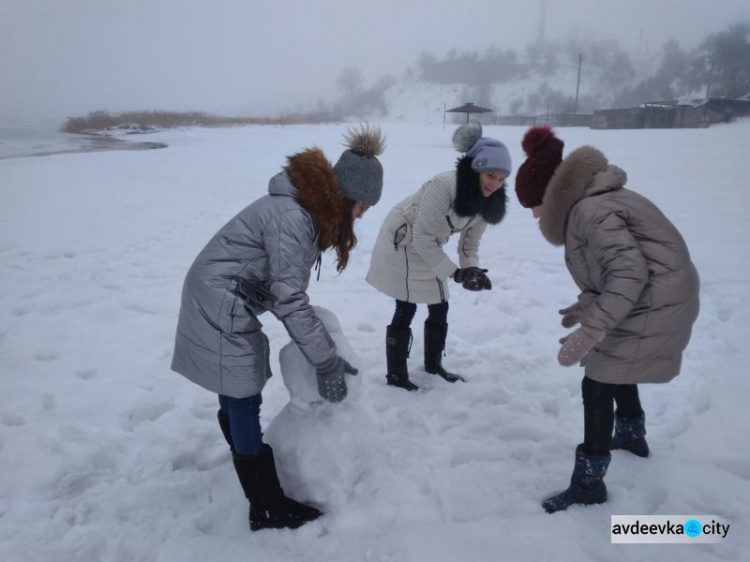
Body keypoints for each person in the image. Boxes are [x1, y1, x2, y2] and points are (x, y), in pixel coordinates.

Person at [171, 125, 385, 530]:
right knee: (243, 393)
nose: (362, 214)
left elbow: (281, 290)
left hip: (221, 290)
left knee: (237, 388)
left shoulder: (300, 210)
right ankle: (267, 505)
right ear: (344, 197)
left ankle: (247, 460)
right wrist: (326, 362)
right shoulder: (294, 219)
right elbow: (290, 299)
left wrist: (325, 351)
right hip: (222, 295)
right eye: (362, 205)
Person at [514, 125, 700, 514]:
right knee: (617, 363)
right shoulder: (594, 203)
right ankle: (632, 437)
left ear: (551, 197)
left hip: (656, 302)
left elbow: (629, 275)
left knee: (598, 380)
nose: (533, 216)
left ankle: (588, 484)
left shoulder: (590, 211)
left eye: (532, 205)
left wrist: (595, 326)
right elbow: (616, 272)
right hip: (658, 296)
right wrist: (587, 307)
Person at [366, 122, 510, 391]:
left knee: (440, 303)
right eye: (490, 175)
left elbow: (470, 242)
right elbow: (421, 237)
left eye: (501, 179)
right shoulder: (444, 186)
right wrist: (455, 273)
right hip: (405, 238)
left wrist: (471, 269)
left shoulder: (489, 200)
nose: (495, 184)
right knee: (406, 305)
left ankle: (433, 366)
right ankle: (396, 376)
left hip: (431, 243)